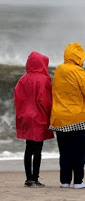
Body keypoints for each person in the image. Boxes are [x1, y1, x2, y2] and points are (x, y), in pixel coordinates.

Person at [49, 42, 85, 189]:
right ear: (78, 57)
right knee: (80, 152)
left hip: (60, 119)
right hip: (80, 119)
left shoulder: (59, 70)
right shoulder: (82, 74)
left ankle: (65, 181)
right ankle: (78, 181)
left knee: (65, 152)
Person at [14, 51, 54, 188]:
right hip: (38, 116)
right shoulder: (43, 80)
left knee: (28, 148)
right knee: (38, 149)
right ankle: (35, 178)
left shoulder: (22, 79)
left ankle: (28, 179)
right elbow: (45, 101)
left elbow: (17, 99)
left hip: (25, 116)